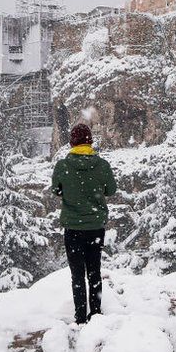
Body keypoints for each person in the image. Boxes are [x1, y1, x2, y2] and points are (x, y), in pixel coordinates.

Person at [50, 123, 117, 324]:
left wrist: (71, 192)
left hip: (73, 228)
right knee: (94, 271)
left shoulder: (63, 166)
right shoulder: (102, 165)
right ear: (90, 142)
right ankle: (96, 315)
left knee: (77, 275)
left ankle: (80, 317)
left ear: (72, 143)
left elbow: (56, 190)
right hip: (95, 227)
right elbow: (111, 190)